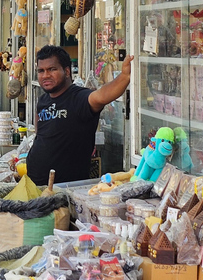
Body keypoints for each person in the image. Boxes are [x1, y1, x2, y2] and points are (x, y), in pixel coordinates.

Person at [26, 45, 133, 186]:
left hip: (67, 188)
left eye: (52, 69)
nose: (45, 75)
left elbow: (102, 96)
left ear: (67, 71)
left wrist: (124, 76)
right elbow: (40, 133)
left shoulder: (79, 98)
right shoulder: (43, 100)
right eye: (41, 71)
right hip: (34, 183)